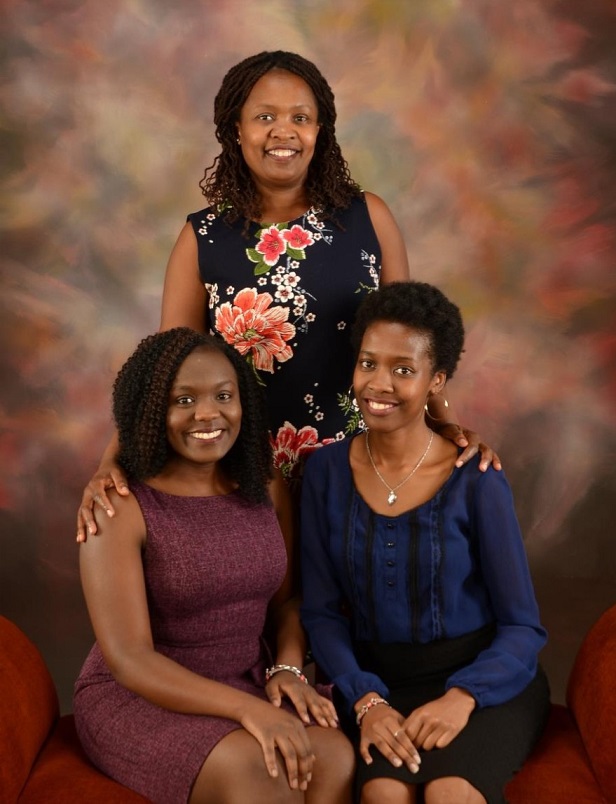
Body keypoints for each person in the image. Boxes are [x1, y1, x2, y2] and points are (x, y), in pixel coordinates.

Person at [77, 50, 498, 542]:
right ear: (236, 129)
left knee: (348, 607)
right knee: (268, 612)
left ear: (321, 131)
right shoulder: (203, 238)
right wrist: (111, 461)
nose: (284, 131)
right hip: (244, 473)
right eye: (265, 117)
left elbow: (408, 344)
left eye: (300, 117)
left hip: (358, 463)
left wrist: (446, 424)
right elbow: (166, 368)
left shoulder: (369, 219)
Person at [73, 327, 355, 804]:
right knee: (258, 773)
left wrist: (286, 669)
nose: (208, 414)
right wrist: (251, 712)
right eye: (183, 400)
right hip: (143, 695)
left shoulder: (264, 485)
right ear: (151, 411)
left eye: (224, 395)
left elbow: (287, 602)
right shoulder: (119, 505)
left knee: (333, 757)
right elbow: (129, 660)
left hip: (245, 677)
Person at [299, 282, 550, 804]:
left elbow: (523, 626)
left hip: (483, 682)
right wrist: (365, 700)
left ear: (436, 381)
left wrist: (463, 697)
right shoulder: (324, 472)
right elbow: (321, 614)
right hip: (378, 685)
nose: (379, 384)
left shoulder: (477, 478)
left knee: (449, 794)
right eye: (368, 363)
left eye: (403, 370)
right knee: (384, 795)